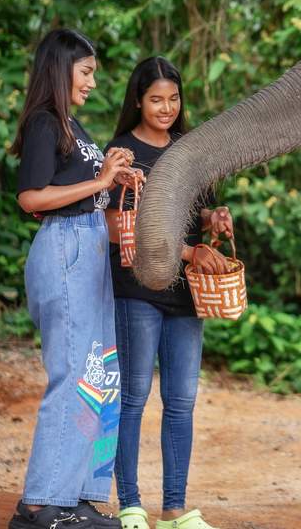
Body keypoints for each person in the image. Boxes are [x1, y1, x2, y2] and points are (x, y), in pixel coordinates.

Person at [8, 28, 138, 529]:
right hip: (64, 248)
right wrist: (100, 180)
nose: (92, 83)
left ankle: (78, 494)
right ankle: (41, 503)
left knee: (100, 376)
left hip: (89, 249)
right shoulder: (45, 122)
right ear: (61, 70)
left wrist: (112, 177)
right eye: (86, 72)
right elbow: (32, 198)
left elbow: (84, 193)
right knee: (72, 375)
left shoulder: (74, 126)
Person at [104, 56, 233, 529]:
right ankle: (131, 504)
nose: (166, 108)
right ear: (137, 100)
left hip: (186, 296)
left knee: (181, 401)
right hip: (137, 290)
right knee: (134, 396)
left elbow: (193, 212)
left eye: (173, 99)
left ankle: (175, 509)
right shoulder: (120, 152)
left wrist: (212, 221)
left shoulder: (187, 150)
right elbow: (119, 230)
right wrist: (186, 251)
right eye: (156, 99)